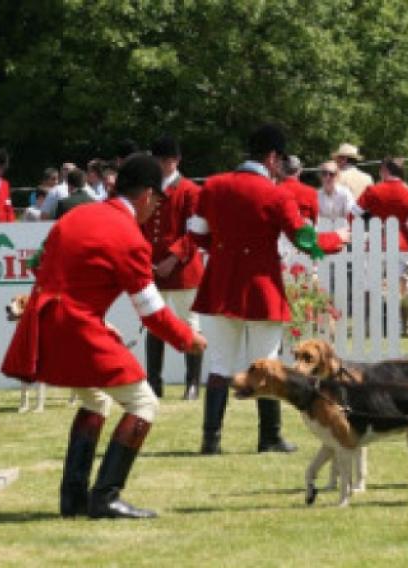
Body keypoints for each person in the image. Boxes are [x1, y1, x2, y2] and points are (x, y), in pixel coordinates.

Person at [1, 153, 208, 519]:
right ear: (146, 195)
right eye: (156, 201)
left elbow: (40, 267)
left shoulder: (76, 215)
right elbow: (152, 311)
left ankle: (73, 499)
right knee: (144, 403)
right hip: (76, 327)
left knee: (96, 401)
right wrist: (187, 340)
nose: (154, 209)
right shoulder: (128, 236)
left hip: (45, 321)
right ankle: (106, 497)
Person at [188, 124, 350, 455]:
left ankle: (211, 439)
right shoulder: (277, 194)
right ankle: (269, 436)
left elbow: (196, 233)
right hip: (260, 286)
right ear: (273, 157)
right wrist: (338, 240)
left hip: (219, 283)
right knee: (268, 363)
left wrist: (222, 250)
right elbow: (305, 241)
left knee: (219, 364)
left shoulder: (214, 186)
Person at [141, 135, 205, 400]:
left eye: (167, 161)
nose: (163, 166)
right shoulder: (147, 189)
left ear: (176, 161)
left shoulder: (190, 190)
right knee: (154, 324)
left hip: (183, 269)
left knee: (189, 324)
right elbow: (141, 227)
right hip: (153, 268)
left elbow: (195, 232)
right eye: (159, 161)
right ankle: (154, 382)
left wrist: (173, 257)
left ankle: (192, 383)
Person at [352, 157, 408, 252]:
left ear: (385, 170)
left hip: (376, 243)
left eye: (380, 170)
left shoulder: (372, 191)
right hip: (402, 244)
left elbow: (353, 213)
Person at [278, 155, 318, 224]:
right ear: (299, 170)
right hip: (303, 232)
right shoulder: (310, 191)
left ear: (282, 170)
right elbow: (315, 219)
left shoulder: (275, 190)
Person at [317, 160, 356, 224]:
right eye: (324, 173)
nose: (327, 177)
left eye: (331, 174)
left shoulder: (345, 193)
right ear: (320, 176)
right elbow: (315, 218)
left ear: (337, 176)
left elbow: (350, 214)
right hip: (323, 230)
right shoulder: (316, 195)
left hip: (342, 229)